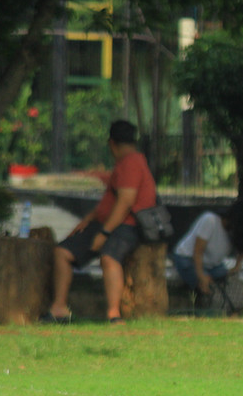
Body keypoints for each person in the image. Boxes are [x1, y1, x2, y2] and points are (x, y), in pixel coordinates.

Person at [42, 120, 158, 324]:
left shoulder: (132, 163)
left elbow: (125, 202)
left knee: (109, 258)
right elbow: (110, 201)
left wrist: (103, 233)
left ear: (112, 143)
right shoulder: (123, 163)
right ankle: (59, 308)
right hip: (105, 223)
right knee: (62, 252)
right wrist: (88, 220)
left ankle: (114, 314)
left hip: (127, 226)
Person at [171, 200, 243, 295]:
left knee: (224, 279)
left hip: (213, 265)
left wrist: (237, 266)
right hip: (189, 259)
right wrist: (201, 276)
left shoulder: (236, 233)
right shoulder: (210, 220)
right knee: (209, 287)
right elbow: (198, 251)